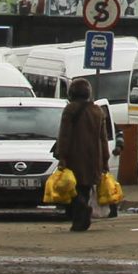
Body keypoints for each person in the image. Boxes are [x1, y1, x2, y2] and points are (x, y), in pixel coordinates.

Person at [53, 79, 111, 233]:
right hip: (94, 157)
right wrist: (105, 159)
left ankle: (82, 215)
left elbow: (64, 135)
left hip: (75, 155)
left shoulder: (70, 109)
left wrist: (62, 156)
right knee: (85, 188)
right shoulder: (98, 111)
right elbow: (103, 138)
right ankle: (80, 220)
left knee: (74, 188)